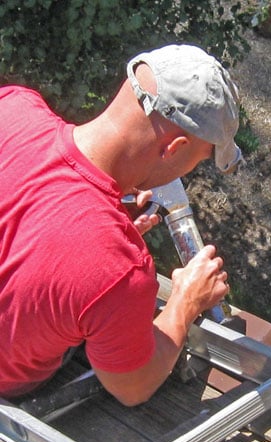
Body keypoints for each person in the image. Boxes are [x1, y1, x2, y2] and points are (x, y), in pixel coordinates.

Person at [0, 44, 242, 406]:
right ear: (173, 148)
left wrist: (93, 226)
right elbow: (133, 387)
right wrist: (185, 302)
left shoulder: (13, 105)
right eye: (199, 159)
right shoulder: (118, 272)